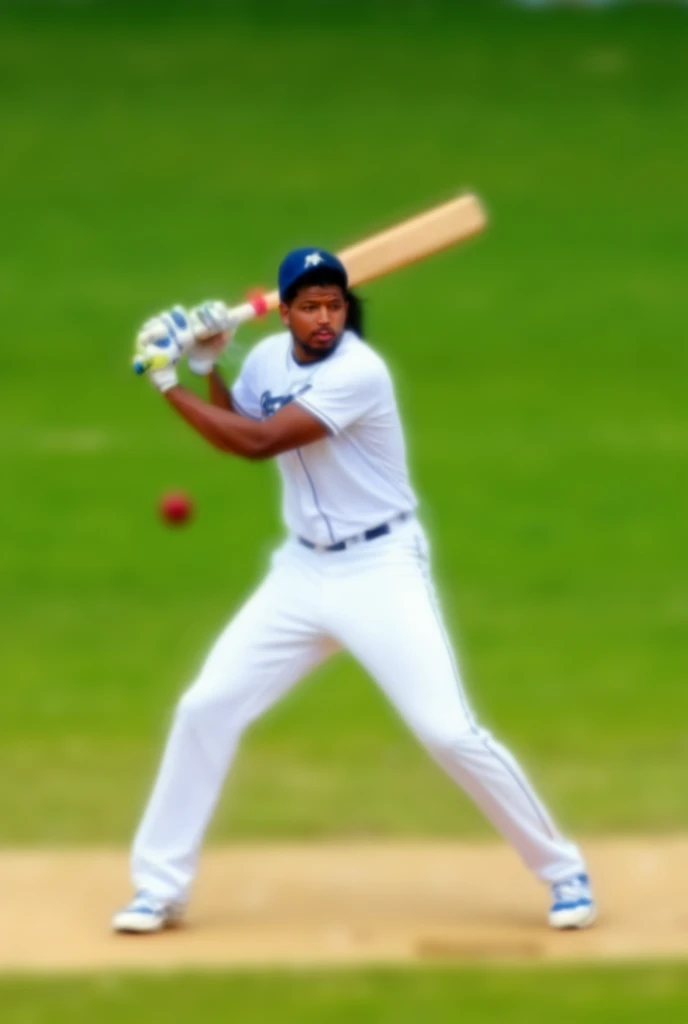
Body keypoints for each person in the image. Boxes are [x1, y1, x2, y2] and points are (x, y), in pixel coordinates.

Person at [112, 248, 596, 933]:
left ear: (347, 307)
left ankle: (563, 869)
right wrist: (207, 368)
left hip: (381, 569)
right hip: (301, 572)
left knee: (449, 733)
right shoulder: (267, 360)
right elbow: (240, 423)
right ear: (285, 311)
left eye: (335, 305)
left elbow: (258, 443)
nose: (324, 318)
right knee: (204, 708)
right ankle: (159, 888)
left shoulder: (360, 372)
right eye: (309, 306)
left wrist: (168, 386)